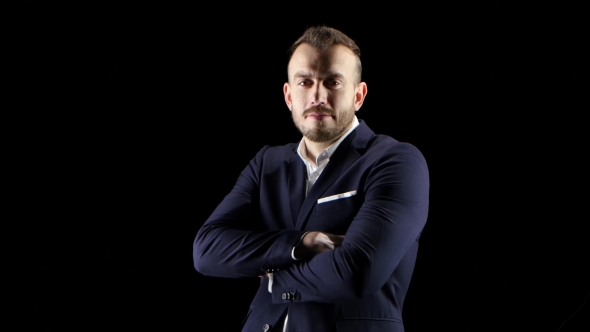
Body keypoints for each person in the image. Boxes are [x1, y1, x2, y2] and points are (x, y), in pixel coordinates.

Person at [193, 25, 429, 332]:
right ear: (289, 96)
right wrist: (301, 243)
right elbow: (207, 250)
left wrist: (275, 278)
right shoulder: (267, 163)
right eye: (305, 82)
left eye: (332, 82)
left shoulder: (395, 161)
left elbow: (358, 271)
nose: (317, 95)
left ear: (358, 95)